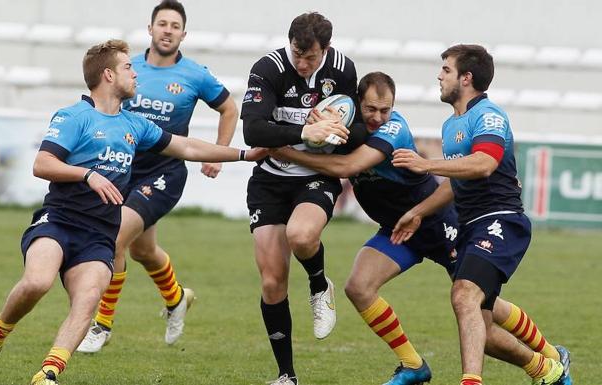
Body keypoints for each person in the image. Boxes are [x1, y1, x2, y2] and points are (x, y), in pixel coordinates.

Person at [0, 39, 263, 385]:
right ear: (109, 75)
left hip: (99, 235)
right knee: (37, 281)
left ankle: (47, 375)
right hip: (60, 221)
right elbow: (42, 163)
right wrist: (88, 173)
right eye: (128, 67)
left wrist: (244, 155)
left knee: (87, 300)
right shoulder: (74, 116)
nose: (135, 73)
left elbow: (186, 146)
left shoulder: (135, 125)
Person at [271, 71, 572, 385]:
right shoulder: (347, 125)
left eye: (384, 109)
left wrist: (284, 151)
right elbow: (317, 136)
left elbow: (348, 167)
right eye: (371, 109)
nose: (377, 117)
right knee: (358, 287)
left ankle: (550, 356)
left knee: (482, 306)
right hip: (399, 229)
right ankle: (413, 365)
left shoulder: (394, 128)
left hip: (437, 222)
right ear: (358, 103)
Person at [391, 45, 571, 385]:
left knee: (463, 295)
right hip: (470, 228)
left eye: (445, 69)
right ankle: (548, 368)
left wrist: (425, 163)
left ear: (466, 77)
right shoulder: (451, 125)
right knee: (482, 331)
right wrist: (418, 211)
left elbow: (484, 163)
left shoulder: (489, 115)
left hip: (501, 220)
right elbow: (458, 181)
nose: (439, 76)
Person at [77, 0, 239, 353]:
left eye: (175, 25)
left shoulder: (195, 75)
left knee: (115, 236)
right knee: (144, 251)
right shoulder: (126, 68)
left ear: (183, 33)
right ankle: (177, 297)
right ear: (150, 29)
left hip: (165, 171)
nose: (168, 30)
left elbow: (229, 107)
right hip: (124, 169)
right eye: (162, 23)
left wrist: (220, 152)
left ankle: (102, 324)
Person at [241, 12, 360, 385]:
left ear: (325, 50)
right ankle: (286, 375)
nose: (302, 63)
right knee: (273, 282)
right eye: (297, 53)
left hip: (316, 176)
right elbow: (252, 129)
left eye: (310, 57)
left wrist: (339, 130)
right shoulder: (269, 67)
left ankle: (319, 284)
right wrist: (308, 129)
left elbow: (356, 127)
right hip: (270, 180)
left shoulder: (342, 70)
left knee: (302, 235)